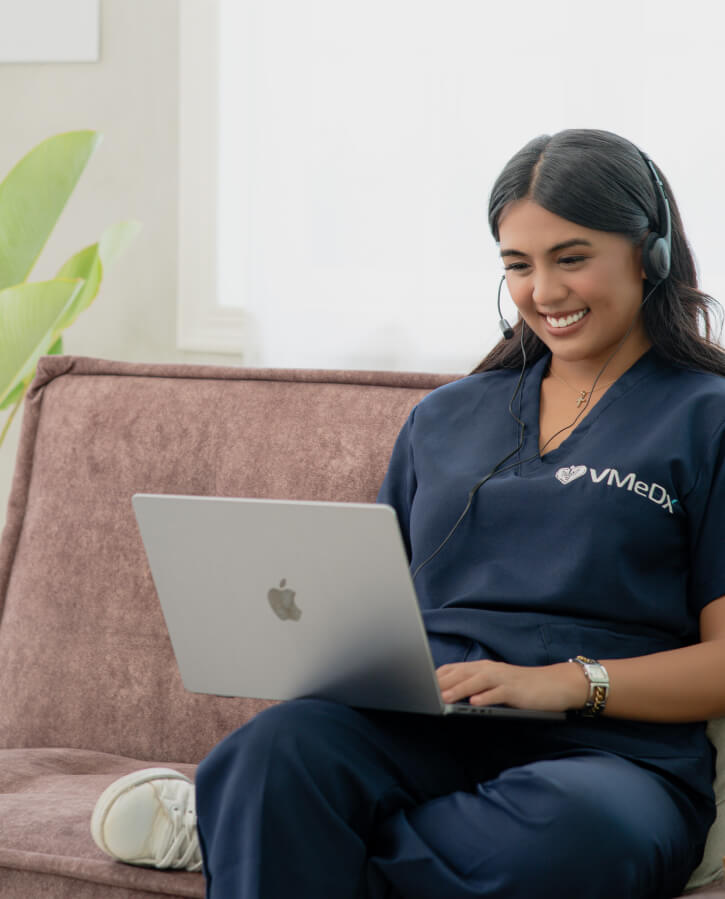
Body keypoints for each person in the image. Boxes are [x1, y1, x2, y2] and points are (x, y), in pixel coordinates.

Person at [90, 128, 725, 898]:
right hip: (425, 723)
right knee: (268, 756)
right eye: (517, 265)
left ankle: (246, 838)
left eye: (571, 257)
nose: (544, 293)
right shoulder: (444, 416)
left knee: (565, 842)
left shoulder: (706, 416)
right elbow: (374, 605)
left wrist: (561, 682)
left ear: (647, 254)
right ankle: (260, 820)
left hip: (608, 754)